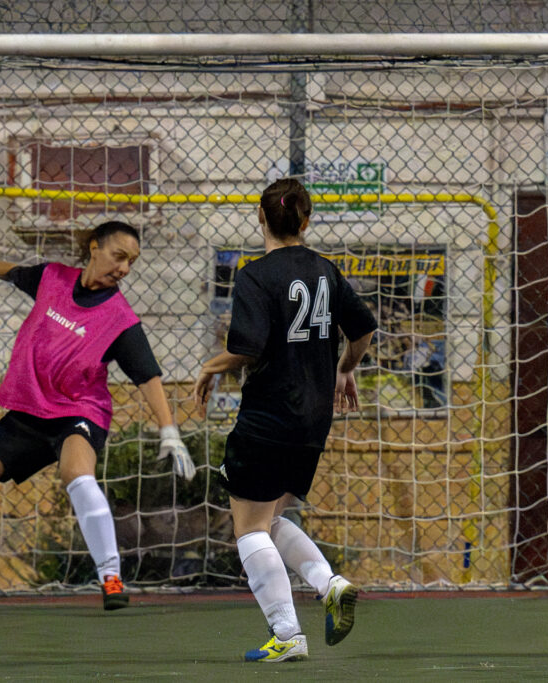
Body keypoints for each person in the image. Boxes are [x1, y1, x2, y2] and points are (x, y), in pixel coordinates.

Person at [0, 220, 195, 613]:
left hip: (80, 413)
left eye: (131, 263)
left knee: (76, 472)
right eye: (119, 256)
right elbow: (13, 272)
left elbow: (148, 376)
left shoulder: (120, 319)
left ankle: (110, 576)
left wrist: (169, 432)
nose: (124, 268)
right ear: (94, 247)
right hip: (29, 412)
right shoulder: (51, 279)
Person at [194, 178, 377, 662]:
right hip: (314, 419)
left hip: (269, 412)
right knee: (272, 517)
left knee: (249, 528)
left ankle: (287, 634)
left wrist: (210, 368)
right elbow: (363, 331)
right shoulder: (326, 270)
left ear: (261, 216)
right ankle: (329, 584)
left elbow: (246, 348)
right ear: (306, 219)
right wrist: (345, 369)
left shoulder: (256, 275)